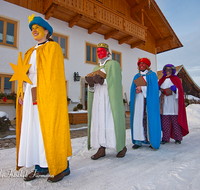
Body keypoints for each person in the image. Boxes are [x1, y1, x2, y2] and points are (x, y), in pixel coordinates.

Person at [16, 14, 72, 182]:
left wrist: (46, 92)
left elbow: (53, 76)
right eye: (32, 29)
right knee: (33, 131)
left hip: (48, 97)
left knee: (50, 130)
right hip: (30, 97)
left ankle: (61, 167)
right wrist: (21, 92)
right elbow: (23, 76)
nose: (34, 31)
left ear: (46, 31)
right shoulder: (29, 52)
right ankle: (39, 166)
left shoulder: (53, 48)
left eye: (37, 28)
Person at [86, 43, 127, 160]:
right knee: (99, 121)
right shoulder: (95, 68)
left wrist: (103, 81)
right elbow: (93, 88)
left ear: (108, 52)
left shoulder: (114, 64)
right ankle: (101, 148)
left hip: (109, 98)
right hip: (98, 99)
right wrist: (91, 84)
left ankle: (121, 147)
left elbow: (115, 81)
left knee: (111, 121)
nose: (99, 53)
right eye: (97, 51)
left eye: (102, 51)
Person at [130, 58, 161, 150]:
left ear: (147, 65)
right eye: (140, 63)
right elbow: (132, 88)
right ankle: (138, 141)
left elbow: (154, 89)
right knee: (138, 120)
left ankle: (152, 141)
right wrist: (136, 90)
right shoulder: (136, 76)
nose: (141, 65)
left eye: (143, 63)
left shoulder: (152, 75)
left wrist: (142, 88)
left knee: (150, 120)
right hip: (138, 102)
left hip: (149, 102)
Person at [158, 64, 189, 144]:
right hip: (164, 104)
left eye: (170, 69)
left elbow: (180, 91)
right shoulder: (161, 80)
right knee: (165, 124)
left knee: (176, 123)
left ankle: (178, 138)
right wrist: (158, 89)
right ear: (164, 71)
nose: (168, 71)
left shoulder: (176, 79)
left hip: (174, 104)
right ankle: (165, 138)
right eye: (166, 69)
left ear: (172, 70)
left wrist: (175, 90)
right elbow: (157, 92)